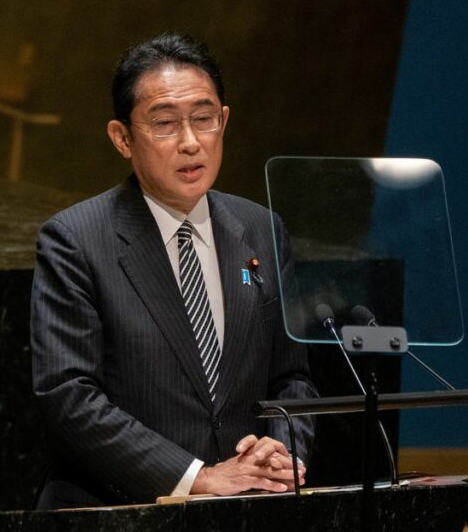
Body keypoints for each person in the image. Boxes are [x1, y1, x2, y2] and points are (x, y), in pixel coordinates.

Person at [30, 33, 317, 509]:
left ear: (223, 121)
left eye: (204, 120)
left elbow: (293, 379)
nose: (190, 142)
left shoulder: (261, 229)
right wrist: (195, 478)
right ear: (122, 138)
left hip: (244, 509)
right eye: (164, 123)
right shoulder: (75, 240)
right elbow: (69, 395)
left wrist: (281, 451)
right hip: (118, 510)